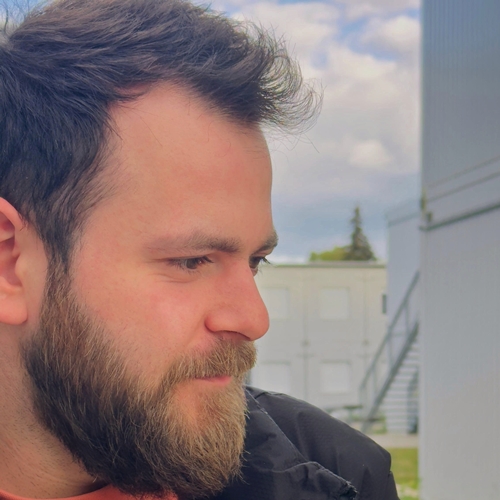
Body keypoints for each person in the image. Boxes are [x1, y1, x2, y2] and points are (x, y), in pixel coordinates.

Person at [0, 0, 399, 499]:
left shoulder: (342, 474)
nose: (254, 319)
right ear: (11, 263)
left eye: (255, 262)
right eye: (191, 261)